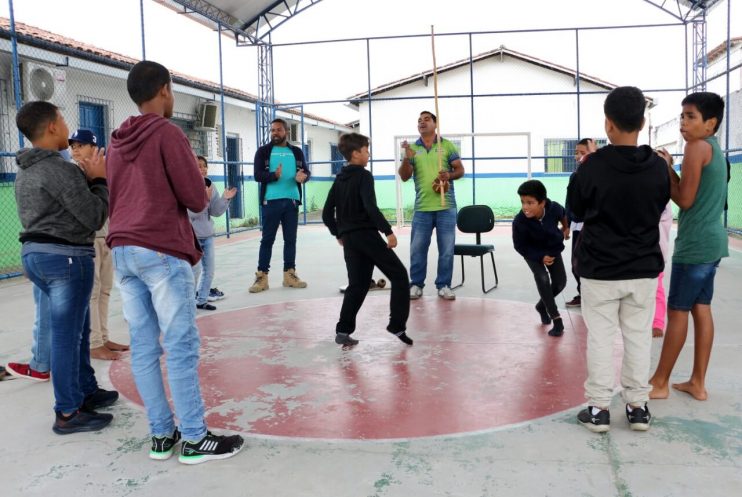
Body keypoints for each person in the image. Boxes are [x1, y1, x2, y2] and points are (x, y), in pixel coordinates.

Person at [107, 60, 243, 464]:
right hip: (161, 249)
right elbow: (195, 198)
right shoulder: (168, 133)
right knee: (181, 346)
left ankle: (162, 436)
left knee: (146, 348)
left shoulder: (116, 140)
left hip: (123, 250)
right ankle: (196, 437)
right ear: (165, 89)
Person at [567, 86, 670, 433]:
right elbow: (658, 207)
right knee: (638, 337)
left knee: (600, 337)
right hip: (643, 269)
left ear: (608, 125)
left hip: (600, 269)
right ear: (642, 122)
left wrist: (582, 172)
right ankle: (637, 407)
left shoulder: (591, 166)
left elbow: (575, 210)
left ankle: (598, 410)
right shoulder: (658, 167)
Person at [14, 101, 118, 434]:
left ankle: (85, 391)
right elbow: (93, 215)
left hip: (37, 257)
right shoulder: (60, 170)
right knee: (67, 338)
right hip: (66, 259)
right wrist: (99, 181)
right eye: (61, 119)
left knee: (78, 331)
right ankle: (68, 412)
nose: (65, 126)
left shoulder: (26, 170)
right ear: (52, 128)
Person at [649, 92, 728, 401]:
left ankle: (659, 381)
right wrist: (672, 167)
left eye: (691, 116)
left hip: (695, 246)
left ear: (711, 123)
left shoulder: (696, 148)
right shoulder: (714, 149)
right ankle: (697, 382)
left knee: (678, 310)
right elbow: (694, 189)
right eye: (682, 116)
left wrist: (665, 170)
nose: (683, 122)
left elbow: (684, 198)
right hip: (713, 243)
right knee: (701, 308)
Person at [322, 132, 413, 347]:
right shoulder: (364, 175)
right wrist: (388, 231)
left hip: (350, 240)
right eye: (366, 150)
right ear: (355, 154)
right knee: (399, 275)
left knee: (358, 284)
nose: (369, 154)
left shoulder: (339, 179)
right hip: (366, 235)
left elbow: (327, 213)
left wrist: (339, 233)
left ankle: (343, 330)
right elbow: (370, 207)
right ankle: (397, 324)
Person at [69, 129, 130, 360]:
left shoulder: (105, 171)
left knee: (105, 290)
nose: (75, 149)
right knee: (93, 292)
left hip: (107, 236)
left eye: (80, 145)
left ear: (94, 148)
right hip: (88, 238)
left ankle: (104, 337)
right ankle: (94, 343)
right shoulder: (72, 173)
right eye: (72, 145)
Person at [399, 111, 465, 300]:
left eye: (427, 119)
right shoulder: (412, 148)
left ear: (436, 124)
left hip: (446, 206)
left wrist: (449, 175)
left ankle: (443, 285)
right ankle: (416, 284)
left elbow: (460, 169)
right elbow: (404, 176)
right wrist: (406, 158)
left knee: (446, 249)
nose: (422, 122)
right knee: (417, 249)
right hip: (422, 208)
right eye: (419, 120)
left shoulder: (446, 145)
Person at [249, 118, 311, 293]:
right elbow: (257, 175)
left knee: (290, 240)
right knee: (267, 239)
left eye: (278, 130)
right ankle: (262, 277)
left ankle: (289, 275)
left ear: (286, 132)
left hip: (291, 201)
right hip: (271, 201)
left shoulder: (297, 152)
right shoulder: (263, 152)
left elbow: (306, 171)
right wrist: (273, 176)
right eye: (273, 130)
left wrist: (303, 177)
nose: (275, 133)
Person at [512, 179, 570, 337]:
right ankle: (556, 318)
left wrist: (565, 228)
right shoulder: (519, 222)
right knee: (542, 278)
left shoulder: (554, 208)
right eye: (523, 202)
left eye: (530, 203)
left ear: (542, 203)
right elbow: (520, 246)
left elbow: (563, 214)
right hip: (532, 252)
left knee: (560, 282)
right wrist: (539, 257)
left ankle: (541, 306)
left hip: (552, 248)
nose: (525, 207)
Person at [189, 155, 237, 311]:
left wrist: (225, 199)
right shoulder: (186, 187)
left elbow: (215, 211)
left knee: (209, 270)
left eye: (204, 166)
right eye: (198, 166)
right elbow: (190, 214)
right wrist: (204, 199)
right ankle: (188, 303)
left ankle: (201, 300)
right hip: (192, 236)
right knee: (193, 272)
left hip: (207, 235)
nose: (202, 169)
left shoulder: (210, 185)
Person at [564, 138, 597, 308]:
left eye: (582, 153)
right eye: (576, 153)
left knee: (589, 263)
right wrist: (567, 224)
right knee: (575, 264)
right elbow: (569, 202)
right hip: (577, 226)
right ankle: (582, 294)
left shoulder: (597, 174)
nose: (578, 156)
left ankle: (591, 297)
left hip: (592, 227)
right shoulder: (575, 176)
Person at [652, 202, 673, 338]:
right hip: (649, 250)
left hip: (656, 251)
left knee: (657, 288)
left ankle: (657, 323)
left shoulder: (664, 201)